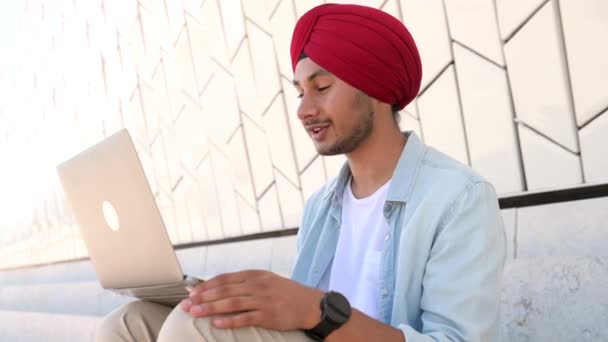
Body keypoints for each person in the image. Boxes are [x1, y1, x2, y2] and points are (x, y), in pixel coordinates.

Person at [96, 3, 505, 342]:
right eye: (299, 92)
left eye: (322, 87)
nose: (304, 109)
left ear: (377, 89)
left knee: (195, 327)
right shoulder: (321, 206)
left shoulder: (458, 198)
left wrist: (316, 309)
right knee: (129, 323)